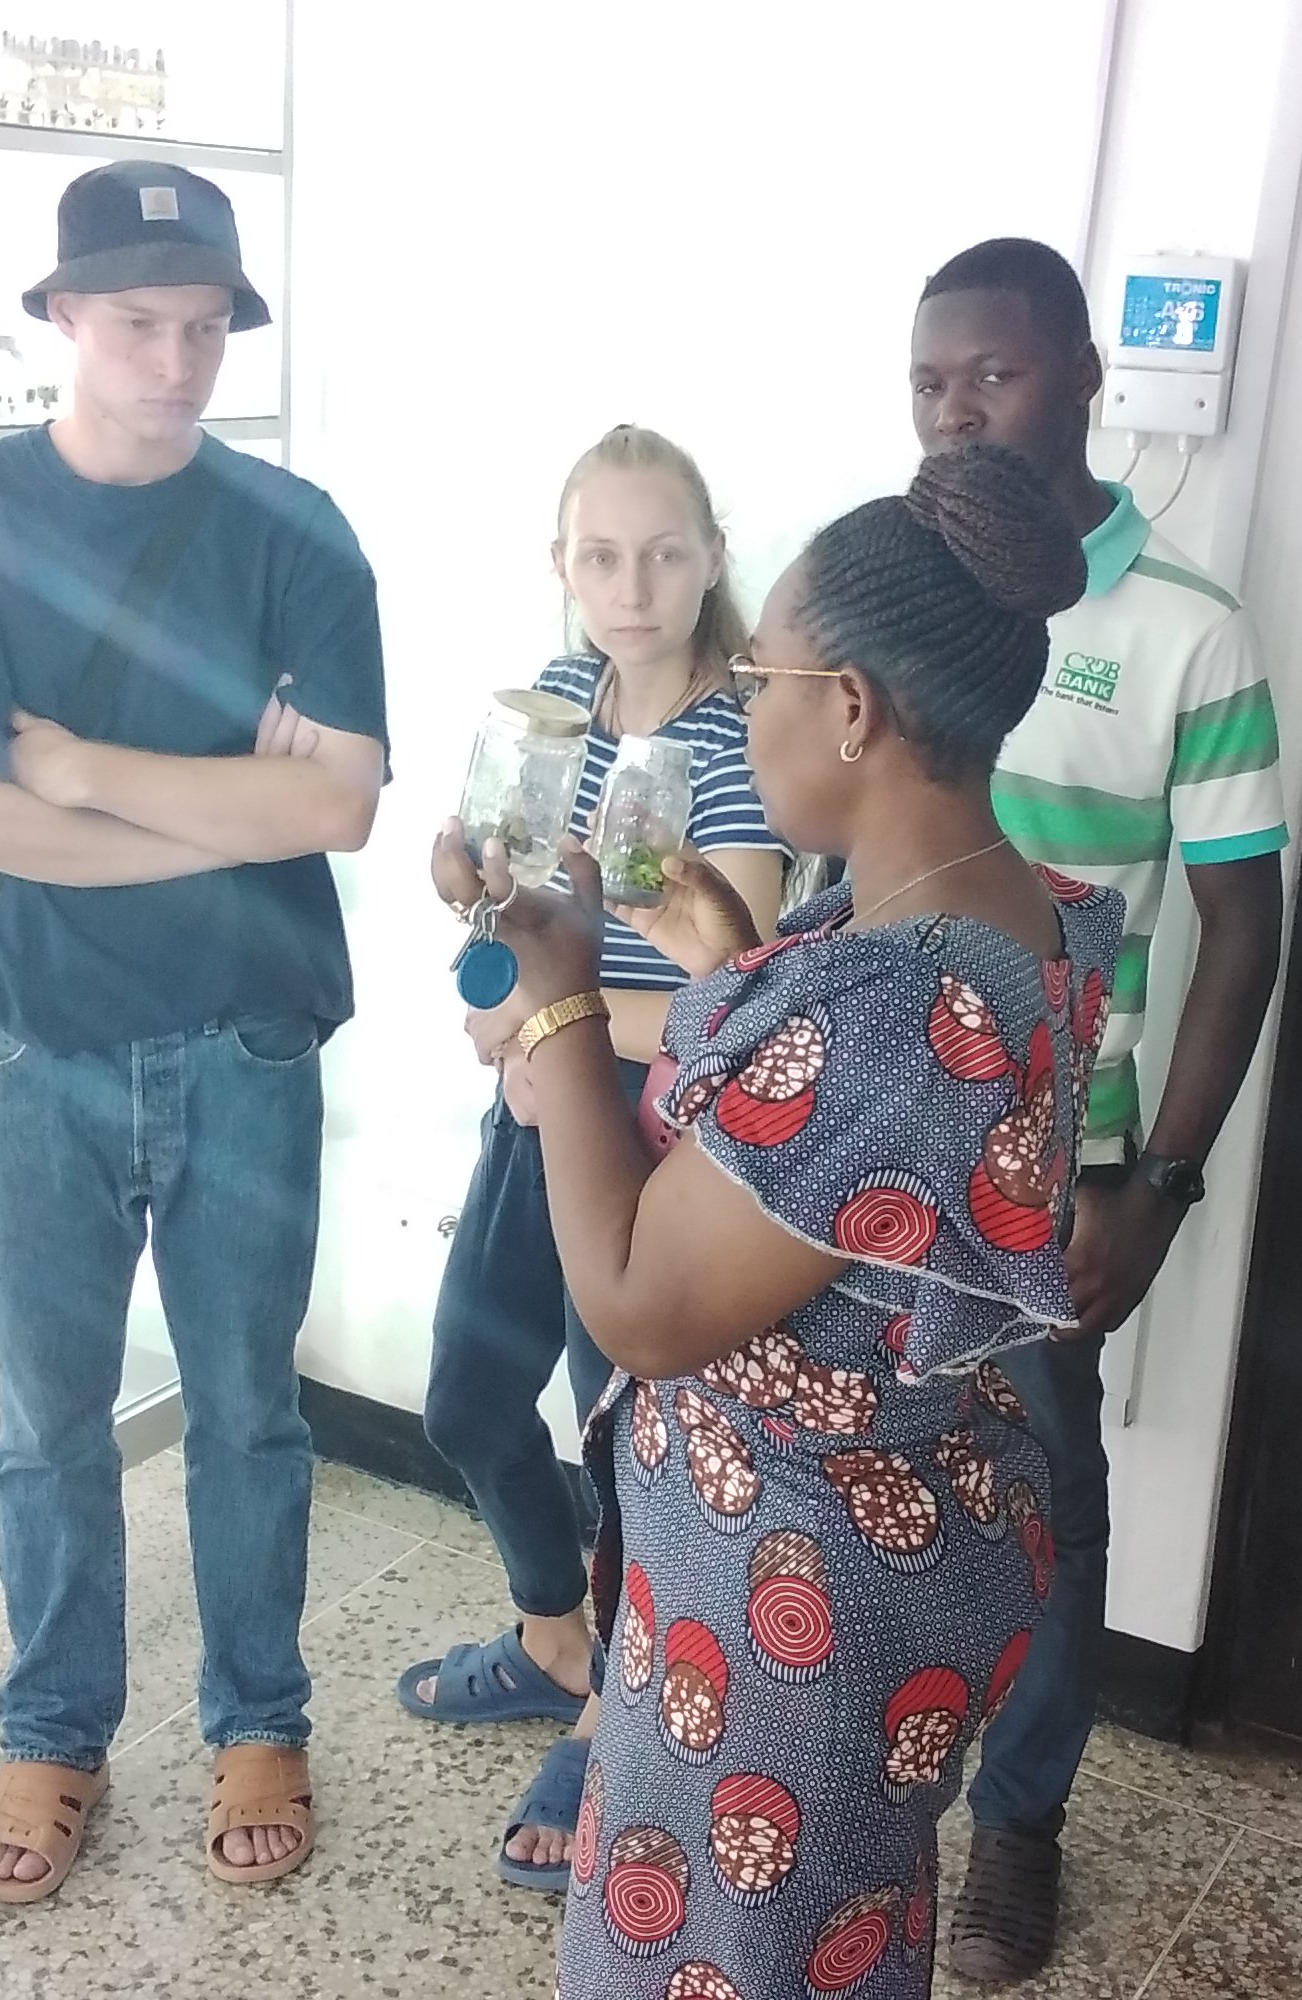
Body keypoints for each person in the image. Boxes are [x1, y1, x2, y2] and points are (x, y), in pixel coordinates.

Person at [480, 442, 1117, 1999]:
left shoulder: (903, 1005)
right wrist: (718, 944)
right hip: (883, 1543)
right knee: (820, 1929)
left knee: (738, 1952)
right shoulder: (1001, 911)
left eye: (759, 675)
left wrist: (553, 998)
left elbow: (635, 1297)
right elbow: (837, 1166)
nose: (738, 708)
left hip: (794, 1597)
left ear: (850, 708)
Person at [0, 158, 386, 1896]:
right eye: (139, 320)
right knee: (45, 1422)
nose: (176, 358)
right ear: (66, 316)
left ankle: (258, 1715)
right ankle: (52, 1729)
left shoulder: (293, 531)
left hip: (245, 1039)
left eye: (206, 322)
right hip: (29, 1038)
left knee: (248, 1411)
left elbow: (343, 812)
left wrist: (71, 769)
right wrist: (215, 803)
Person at [905, 236, 1289, 1979]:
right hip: (875, 1122)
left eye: (988, 371)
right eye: (927, 380)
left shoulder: (1187, 629)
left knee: (1050, 1490)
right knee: (862, 1455)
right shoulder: (887, 591)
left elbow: (1244, 930)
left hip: (1064, 1147)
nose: (956, 407)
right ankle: (862, 1765)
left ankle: (1023, 1827)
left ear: (1080, 379)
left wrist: (1165, 1184)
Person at [395, 425, 787, 1890]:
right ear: (561, 567)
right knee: (466, 1393)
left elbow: (723, 993)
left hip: (649, 1137)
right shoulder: (555, 701)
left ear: (709, 560)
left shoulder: (742, 735)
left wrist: (547, 1016)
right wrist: (467, 888)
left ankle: (625, 1720)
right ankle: (560, 1637)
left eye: (667, 552)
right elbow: (509, 893)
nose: (635, 584)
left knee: (625, 1441)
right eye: (604, 555)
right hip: (543, 1106)